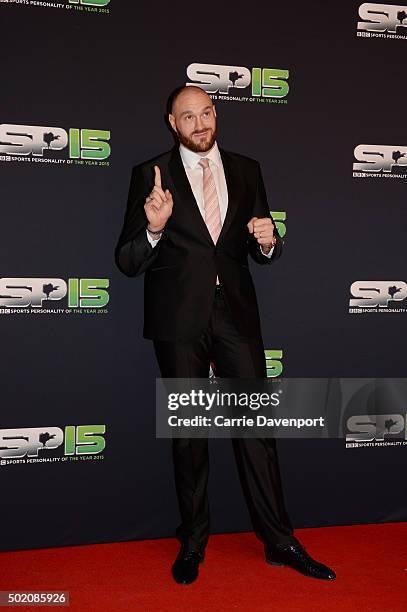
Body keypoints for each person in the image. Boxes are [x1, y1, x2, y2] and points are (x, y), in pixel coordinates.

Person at [115, 85, 336, 585]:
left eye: (207, 113)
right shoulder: (151, 175)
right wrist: (152, 229)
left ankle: (280, 540)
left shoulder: (247, 168)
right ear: (172, 123)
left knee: (258, 432)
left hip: (236, 315)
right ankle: (192, 542)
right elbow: (127, 261)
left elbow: (260, 245)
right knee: (189, 437)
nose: (200, 124)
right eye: (187, 116)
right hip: (178, 319)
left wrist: (269, 242)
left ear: (216, 115)